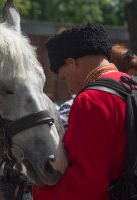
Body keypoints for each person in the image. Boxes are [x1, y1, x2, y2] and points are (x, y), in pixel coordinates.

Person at [33, 23, 129, 200]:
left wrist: (34, 193)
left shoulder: (91, 100)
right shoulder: (131, 85)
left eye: (64, 78)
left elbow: (84, 186)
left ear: (71, 63)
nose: (69, 89)